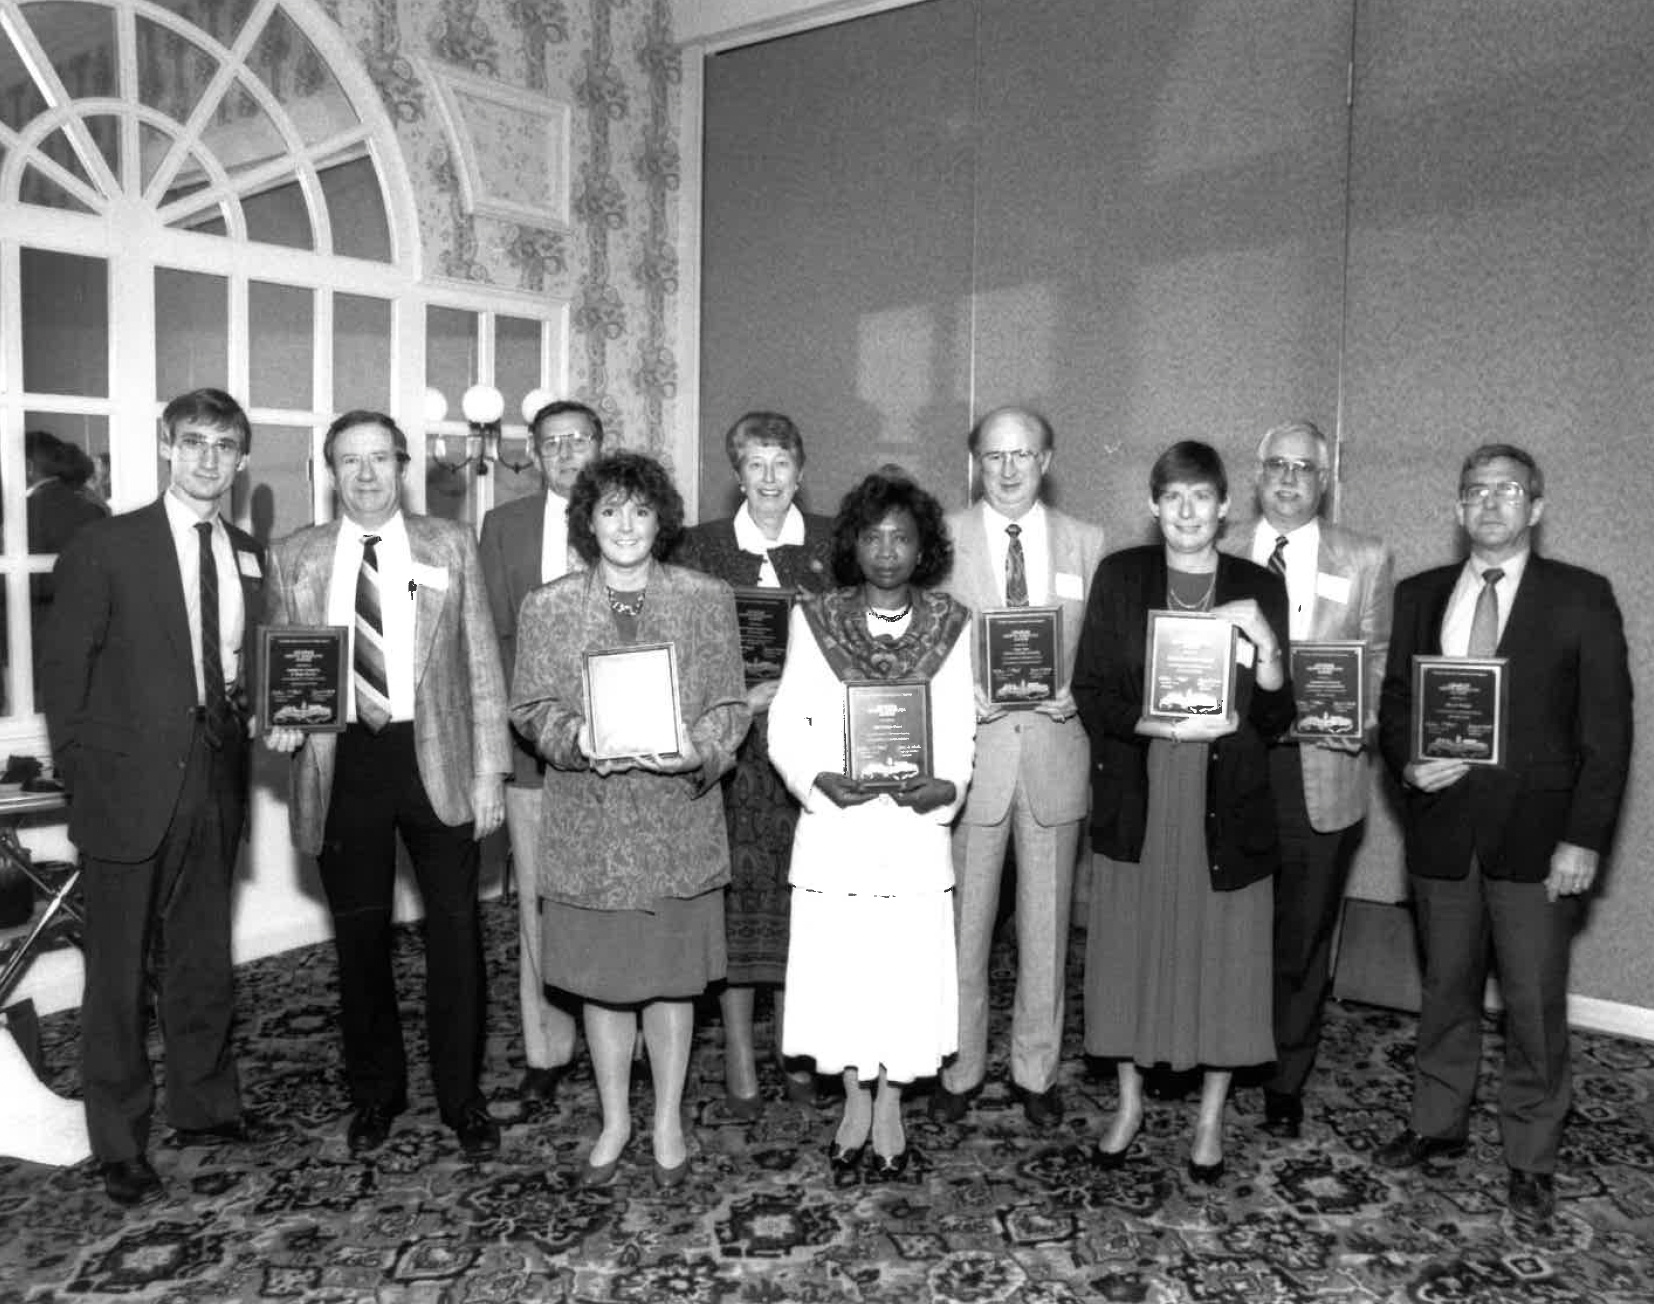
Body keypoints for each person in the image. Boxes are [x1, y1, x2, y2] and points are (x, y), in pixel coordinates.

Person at [1374, 444, 1631, 1226]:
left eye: (1508, 491)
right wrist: (1409, 766)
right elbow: (1394, 706)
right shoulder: (1419, 594)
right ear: (1457, 509)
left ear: (1537, 508)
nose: (1490, 504)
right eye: (1475, 491)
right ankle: (1437, 1123)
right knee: (1445, 991)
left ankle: (1531, 1154)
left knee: (1533, 1005)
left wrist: (1584, 839)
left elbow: (1608, 733)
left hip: (1537, 842)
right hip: (1443, 835)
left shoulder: (1582, 597)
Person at [40, 388, 267, 1207]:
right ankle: (118, 1139)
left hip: (217, 773)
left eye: (226, 445)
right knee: (117, 969)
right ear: (169, 446)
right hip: (124, 786)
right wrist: (79, 773)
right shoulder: (107, 543)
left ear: (243, 459)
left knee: (204, 953)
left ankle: (204, 1105)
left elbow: (247, 664)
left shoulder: (248, 552)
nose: (210, 458)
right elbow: (63, 675)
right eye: (195, 441)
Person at [263, 410, 510, 1159]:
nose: (365, 475)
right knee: (359, 941)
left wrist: (491, 769)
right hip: (343, 766)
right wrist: (281, 723)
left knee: (456, 936)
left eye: (379, 459)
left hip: (437, 761)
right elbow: (283, 669)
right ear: (328, 471)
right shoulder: (294, 556)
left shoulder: (450, 542)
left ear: (401, 466)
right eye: (349, 461)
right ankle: (376, 1094)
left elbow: (481, 667)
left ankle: (462, 1099)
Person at [510, 451, 750, 1189]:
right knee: (603, 983)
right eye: (609, 510)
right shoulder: (546, 605)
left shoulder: (706, 598)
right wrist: (574, 740)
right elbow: (530, 707)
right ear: (588, 520)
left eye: (640, 511)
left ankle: (668, 1117)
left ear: (661, 521)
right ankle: (615, 1117)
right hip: (591, 827)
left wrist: (697, 752)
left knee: (671, 983)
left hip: (676, 820)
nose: (624, 525)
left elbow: (730, 707)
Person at [1072, 440, 1292, 1183]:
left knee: (1224, 954)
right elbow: (1094, 694)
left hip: (1226, 794)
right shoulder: (1121, 576)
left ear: (1227, 506)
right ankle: (1129, 1104)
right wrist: (1163, 724)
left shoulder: (1258, 585)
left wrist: (1264, 647)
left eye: (1202, 496)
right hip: (1144, 783)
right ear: (1153, 505)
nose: (1188, 511)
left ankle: (1208, 1119)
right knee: (1130, 949)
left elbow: (1275, 712)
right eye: (1173, 497)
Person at [768, 467, 975, 1182]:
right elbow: (786, 721)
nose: (887, 550)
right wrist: (815, 779)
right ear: (853, 544)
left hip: (914, 835)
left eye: (903, 537)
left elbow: (958, 730)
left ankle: (891, 1100)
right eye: (874, 535)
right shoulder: (815, 619)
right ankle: (853, 1098)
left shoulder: (952, 624)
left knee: (902, 974)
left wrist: (946, 784)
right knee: (845, 972)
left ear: (924, 550)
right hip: (838, 830)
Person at [932, 406, 1106, 1130]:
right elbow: (918, 636)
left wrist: (1081, 689)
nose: (1008, 469)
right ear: (976, 461)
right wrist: (951, 685)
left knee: (1047, 929)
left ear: (1047, 459)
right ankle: (960, 1066)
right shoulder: (940, 536)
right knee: (962, 930)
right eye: (994, 455)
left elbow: (1107, 647)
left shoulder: (1087, 542)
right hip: (973, 756)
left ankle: (1036, 1070)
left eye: (1023, 454)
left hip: (1055, 754)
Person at [1221, 420, 1392, 1138]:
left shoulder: (1366, 558)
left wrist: (1366, 717)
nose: (1290, 480)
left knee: (1301, 936)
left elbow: (1378, 661)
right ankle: (1218, 1059)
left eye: (1305, 469)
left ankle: (1286, 1077)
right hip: (1231, 768)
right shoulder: (1219, 553)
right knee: (1227, 929)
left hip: (1320, 773)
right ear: (1257, 476)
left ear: (1326, 481)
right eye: (1277, 466)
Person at [675, 411, 834, 1115]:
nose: (769, 479)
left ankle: (791, 1046)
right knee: (739, 902)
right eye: (755, 465)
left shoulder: (833, 545)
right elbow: (682, 650)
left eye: (782, 464)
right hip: (737, 753)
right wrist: (742, 692)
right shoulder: (700, 549)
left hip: (811, 749)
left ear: (800, 473)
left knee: (804, 901)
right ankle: (741, 1048)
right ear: (737, 476)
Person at [478, 399, 603, 1107]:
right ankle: (548, 1048)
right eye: (551, 442)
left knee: (622, 894)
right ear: (534, 453)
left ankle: (629, 1036)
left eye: (577, 439)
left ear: (599, 446)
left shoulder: (633, 517)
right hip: (535, 750)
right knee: (539, 903)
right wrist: (514, 736)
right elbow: (496, 640)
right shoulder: (505, 527)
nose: (565, 452)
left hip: (625, 751)